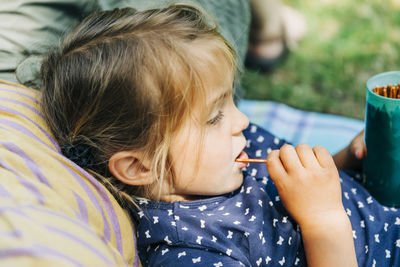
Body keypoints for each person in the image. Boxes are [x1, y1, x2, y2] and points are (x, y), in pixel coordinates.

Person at [40, 4, 399, 267]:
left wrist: (342, 162)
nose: (241, 119)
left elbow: (306, 186)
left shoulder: (227, 154)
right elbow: (320, 210)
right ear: (138, 166)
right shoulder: (193, 253)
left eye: (231, 101)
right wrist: (323, 218)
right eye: (214, 116)